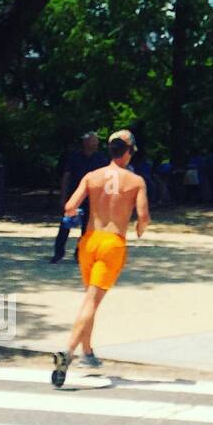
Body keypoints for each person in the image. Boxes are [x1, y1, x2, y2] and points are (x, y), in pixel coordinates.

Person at [52, 130, 150, 387]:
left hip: (89, 241)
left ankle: (88, 350)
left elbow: (70, 206)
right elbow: (143, 216)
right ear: (128, 152)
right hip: (112, 243)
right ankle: (69, 352)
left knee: (89, 298)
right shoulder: (135, 181)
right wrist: (140, 228)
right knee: (92, 301)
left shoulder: (91, 176)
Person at [50, 132, 107, 263]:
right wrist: (63, 196)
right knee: (65, 226)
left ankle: (79, 253)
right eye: (94, 141)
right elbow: (66, 177)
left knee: (87, 229)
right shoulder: (74, 157)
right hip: (75, 196)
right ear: (86, 143)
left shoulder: (101, 159)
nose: (97, 143)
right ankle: (58, 253)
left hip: (92, 198)